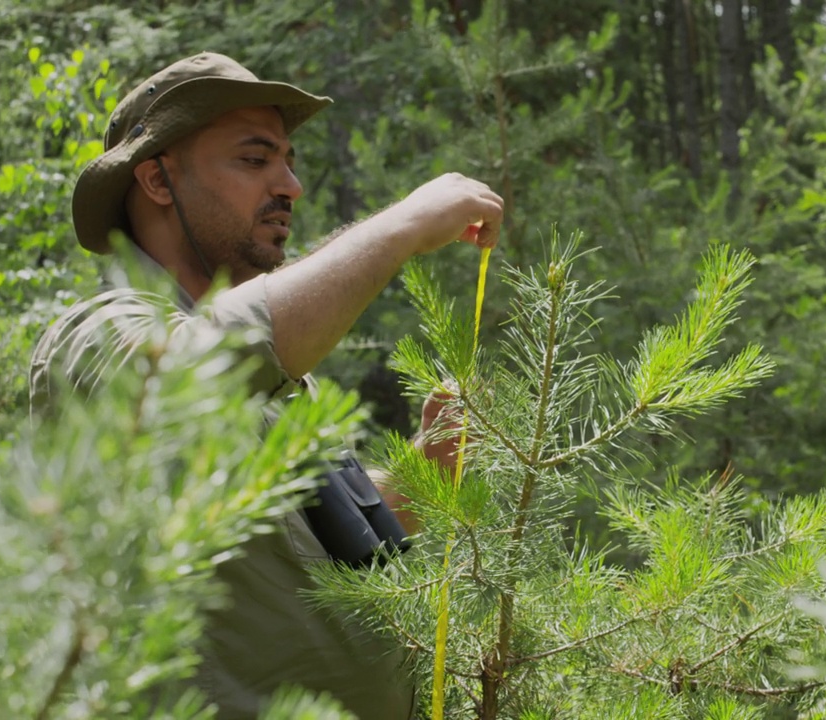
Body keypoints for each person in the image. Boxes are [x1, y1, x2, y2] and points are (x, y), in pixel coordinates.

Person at [30, 52, 501, 718]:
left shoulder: (274, 370)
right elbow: (194, 368)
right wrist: (403, 227)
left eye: (289, 160)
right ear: (157, 180)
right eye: (254, 161)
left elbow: (295, 552)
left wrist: (415, 475)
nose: (290, 186)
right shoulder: (97, 334)